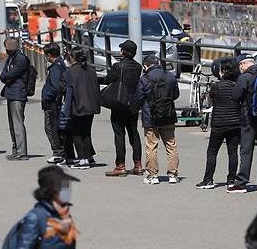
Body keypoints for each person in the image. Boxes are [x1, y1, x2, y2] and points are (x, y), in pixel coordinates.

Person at [196, 59, 241, 189]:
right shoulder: (237, 85)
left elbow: (212, 99)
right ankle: (231, 180)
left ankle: (208, 180)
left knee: (212, 152)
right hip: (235, 122)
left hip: (219, 123)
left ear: (223, 71)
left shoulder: (217, 86)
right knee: (232, 152)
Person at [135, 55, 180, 184]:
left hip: (151, 118)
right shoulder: (170, 76)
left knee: (151, 146)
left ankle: (153, 175)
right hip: (168, 115)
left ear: (146, 65)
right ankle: (173, 174)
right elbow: (176, 94)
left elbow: (138, 98)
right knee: (171, 145)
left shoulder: (144, 79)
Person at [102, 40, 143, 177]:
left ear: (124, 52)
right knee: (134, 134)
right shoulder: (138, 67)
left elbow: (108, 80)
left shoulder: (118, 66)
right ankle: (138, 164)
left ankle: (120, 165)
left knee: (119, 135)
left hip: (119, 104)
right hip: (133, 105)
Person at [231, 54, 257, 193]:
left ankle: (241, 182)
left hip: (249, 118)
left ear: (242, 64)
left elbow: (236, 96)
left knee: (246, 150)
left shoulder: (244, 77)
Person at [60, 47, 100, 170]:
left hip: (77, 104)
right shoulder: (91, 70)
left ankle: (82, 159)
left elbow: (63, 87)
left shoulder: (70, 72)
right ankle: (88, 157)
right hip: (91, 104)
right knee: (86, 132)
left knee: (77, 132)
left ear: (72, 58)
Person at [0, 37, 30, 160]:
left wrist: (7, 76)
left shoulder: (21, 59)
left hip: (18, 94)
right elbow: (3, 76)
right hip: (11, 93)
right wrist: (7, 76)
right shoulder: (11, 58)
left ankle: (22, 152)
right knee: (13, 124)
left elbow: (10, 74)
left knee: (18, 123)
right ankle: (16, 149)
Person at [41, 42, 68, 164]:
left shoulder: (56, 67)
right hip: (54, 102)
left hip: (52, 103)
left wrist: (47, 97)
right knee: (53, 127)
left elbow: (56, 86)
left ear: (50, 55)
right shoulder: (59, 65)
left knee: (51, 127)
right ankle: (60, 151)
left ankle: (57, 152)